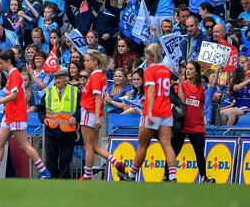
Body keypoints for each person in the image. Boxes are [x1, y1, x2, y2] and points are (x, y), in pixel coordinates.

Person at [0, 50, 51, 179]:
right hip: (9, 115)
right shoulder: (11, 75)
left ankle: (43, 171)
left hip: (16, 115)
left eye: (1, 63)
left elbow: (14, 95)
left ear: (8, 62)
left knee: (24, 145)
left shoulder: (15, 75)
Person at [119, 44, 178, 182]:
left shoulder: (149, 71)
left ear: (150, 56)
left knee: (142, 145)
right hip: (166, 111)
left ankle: (132, 175)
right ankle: (173, 176)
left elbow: (151, 91)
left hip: (153, 111)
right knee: (167, 145)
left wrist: (149, 111)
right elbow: (161, 90)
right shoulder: (166, 70)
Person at [78, 50, 125, 180]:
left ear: (95, 61)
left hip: (90, 112)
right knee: (94, 146)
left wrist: (97, 117)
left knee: (88, 146)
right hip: (94, 113)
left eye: (87, 60)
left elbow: (98, 97)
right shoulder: (100, 76)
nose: (84, 62)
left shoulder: (95, 76)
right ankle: (116, 162)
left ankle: (87, 175)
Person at [168, 61, 214, 183]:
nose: (188, 71)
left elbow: (201, 108)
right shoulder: (181, 85)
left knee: (199, 152)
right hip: (182, 125)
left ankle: (204, 178)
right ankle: (166, 176)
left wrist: (203, 126)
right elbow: (181, 102)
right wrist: (180, 84)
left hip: (196, 126)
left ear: (196, 72)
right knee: (174, 151)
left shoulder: (201, 89)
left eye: (191, 69)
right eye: (187, 69)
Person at [36, 68, 80, 179]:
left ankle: (62, 181)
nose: (57, 80)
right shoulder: (48, 92)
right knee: (51, 159)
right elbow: (40, 108)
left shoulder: (75, 91)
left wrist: (75, 116)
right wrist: (43, 119)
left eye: (60, 78)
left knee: (66, 159)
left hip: (68, 130)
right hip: (52, 130)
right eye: (56, 78)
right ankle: (52, 181)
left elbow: (82, 107)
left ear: (66, 79)